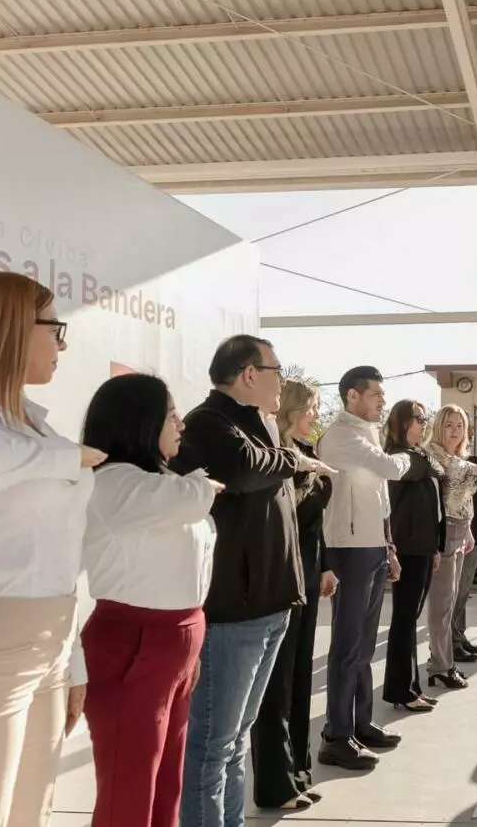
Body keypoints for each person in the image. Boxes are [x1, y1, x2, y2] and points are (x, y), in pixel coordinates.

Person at [0, 271, 105, 827]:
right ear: (8, 327)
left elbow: (58, 554)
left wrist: (71, 658)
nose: (62, 344)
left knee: (30, 812)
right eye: (55, 328)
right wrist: (67, 459)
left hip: (48, 638)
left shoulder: (34, 424)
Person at [170, 335, 324, 826]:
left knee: (235, 743)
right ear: (249, 374)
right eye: (277, 371)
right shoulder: (209, 422)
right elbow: (241, 469)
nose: (283, 381)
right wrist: (292, 460)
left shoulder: (257, 424)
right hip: (233, 613)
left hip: (269, 604)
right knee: (213, 748)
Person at [79, 374, 220, 827]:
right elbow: (192, 497)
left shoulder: (155, 479)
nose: (181, 423)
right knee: (130, 790)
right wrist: (204, 484)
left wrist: (190, 648)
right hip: (134, 642)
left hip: (173, 643)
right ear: (140, 422)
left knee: (163, 790)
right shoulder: (115, 482)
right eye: (170, 414)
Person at [251, 379, 339, 810]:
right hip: (282, 578)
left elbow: (312, 523)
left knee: (300, 676)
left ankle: (298, 771)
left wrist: (324, 567)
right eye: (311, 409)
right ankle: (275, 781)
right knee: (277, 684)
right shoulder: (274, 457)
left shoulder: (307, 454)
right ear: (289, 409)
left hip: (307, 570)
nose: (315, 417)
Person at [316, 366, 410, 767]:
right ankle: (337, 735)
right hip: (349, 550)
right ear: (352, 396)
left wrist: (388, 547)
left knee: (366, 644)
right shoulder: (341, 437)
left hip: (371, 548)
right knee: (347, 646)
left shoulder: (366, 437)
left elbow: (381, 501)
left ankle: (360, 723)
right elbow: (392, 469)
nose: (382, 402)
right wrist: (407, 456)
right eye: (375, 395)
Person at [382, 400, 444, 712]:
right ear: (403, 422)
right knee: (404, 620)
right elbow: (433, 468)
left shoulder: (415, 455)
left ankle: (410, 688)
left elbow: (436, 474)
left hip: (422, 546)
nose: (423, 423)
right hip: (406, 548)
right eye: (417, 418)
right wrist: (425, 459)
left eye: (424, 418)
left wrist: (434, 548)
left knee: (409, 620)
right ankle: (401, 691)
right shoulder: (397, 457)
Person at [424, 405, 477, 688]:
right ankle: (441, 665)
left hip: (460, 531)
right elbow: (445, 500)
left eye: (460, 425)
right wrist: (466, 471)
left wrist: (468, 530)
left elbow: (465, 503)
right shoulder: (432, 455)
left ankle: (443, 661)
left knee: (453, 601)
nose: (455, 431)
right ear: (438, 427)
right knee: (442, 606)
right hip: (442, 532)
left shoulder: (458, 458)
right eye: (449, 425)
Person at [454, 446, 477, 661]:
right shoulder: (464, 471)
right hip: (467, 538)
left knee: (463, 593)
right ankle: (453, 644)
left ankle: (460, 637)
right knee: (457, 594)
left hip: (476, 539)